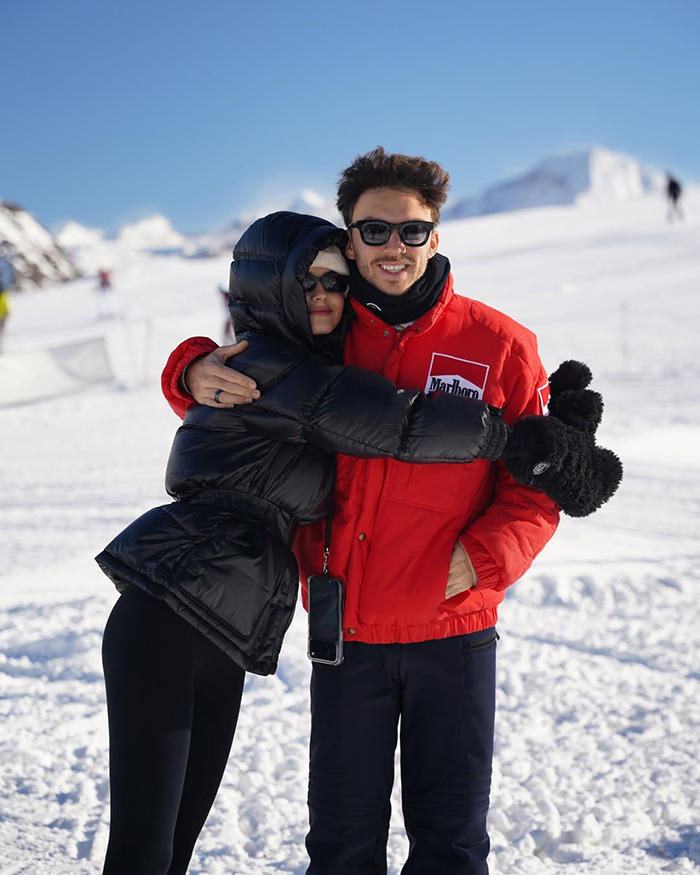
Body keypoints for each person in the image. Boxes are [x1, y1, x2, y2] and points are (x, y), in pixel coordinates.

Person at [96, 210, 603, 875]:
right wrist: (525, 438)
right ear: (270, 286)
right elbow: (401, 424)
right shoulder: (273, 369)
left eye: (333, 283)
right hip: (171, 617)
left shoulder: (306, 363)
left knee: (173, 844)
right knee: (144, 851)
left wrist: (186, 369)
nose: (324, 297)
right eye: (307, 282)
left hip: (220, 626)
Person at [0, 241, 14, 352]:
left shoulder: (7, 262)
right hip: (2, 291)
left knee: (4, 317)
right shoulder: (4, 262)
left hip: (3, 292)